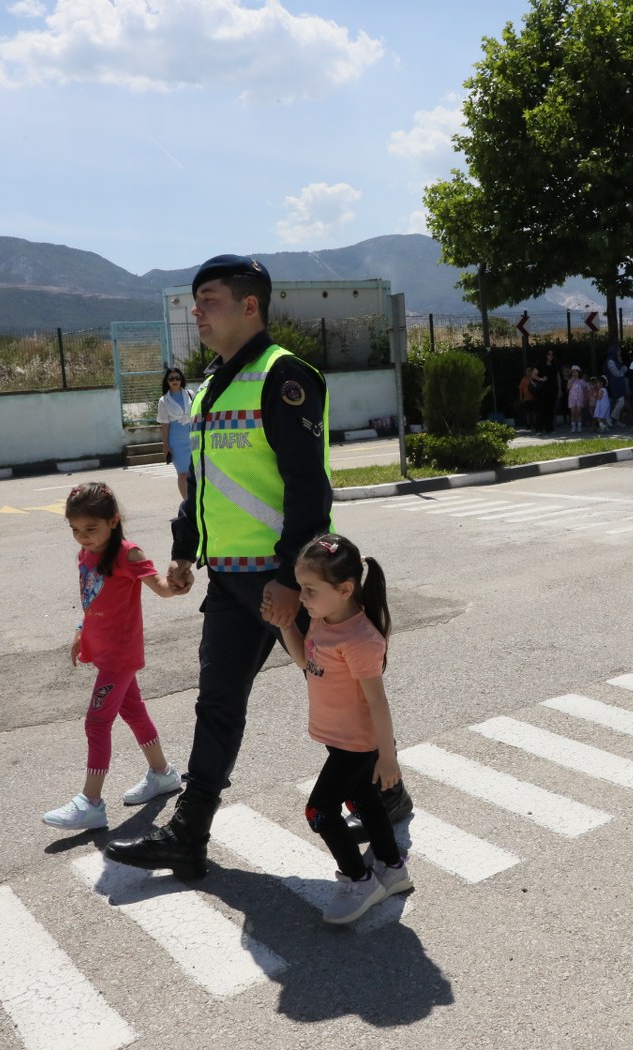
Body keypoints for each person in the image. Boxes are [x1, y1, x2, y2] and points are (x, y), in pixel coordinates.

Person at [103, 255, 410, 880]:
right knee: (216, 702)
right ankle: (189, 834)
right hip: (228, 581)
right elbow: (203, 483)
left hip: (284, 583)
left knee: (342, 694)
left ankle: (386, 795)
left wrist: (290, 582)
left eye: (209, 299)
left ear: (250, 306)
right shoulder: (210, 384)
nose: (197, 311)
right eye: (195, 301)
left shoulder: (284, 377)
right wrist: (186, 549)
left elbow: (308, 487)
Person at [278, 534, 412, 925]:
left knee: (319, 811)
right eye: (301, 588)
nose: (302, 598)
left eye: (309, 590)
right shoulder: (323, 619)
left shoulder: (361, 640)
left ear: (345, 589)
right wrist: (288, 626)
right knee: (366, 804)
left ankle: (359, 880)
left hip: (357, 743)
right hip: (338, 739)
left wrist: (387, 757)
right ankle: (391, 866)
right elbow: (307, 662)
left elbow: (378, 702)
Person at [44, 482, 183, 831]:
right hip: (103, 651)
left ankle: (90, 803)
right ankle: (163, 774)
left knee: (96, 722)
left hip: (121, 655)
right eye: (75, 530)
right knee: (133, 711)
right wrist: (80, 630)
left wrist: (177, 580)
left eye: (91, 529)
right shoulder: (86, 555)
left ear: (113, 520)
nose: (83, 537)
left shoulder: (127, 553)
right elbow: (92, 599)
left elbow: (163, 590)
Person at [157, 367, 194, 499]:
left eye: (177, 378)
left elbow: (197, 416)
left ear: (181, 380)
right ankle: (186, 502)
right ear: (167, 381)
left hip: (193, 439)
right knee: (182, 473)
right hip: (176, 443)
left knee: (195, 473)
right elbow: (164, 425)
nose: (175, 380)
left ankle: (196, 501)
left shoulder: (190, 394)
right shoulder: (163, 400)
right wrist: (165, 446)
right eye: (171, 378)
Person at [532, 348, 557, 432]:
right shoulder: (540, 364)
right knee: (541, 409)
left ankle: (549, 428)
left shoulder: (554, 365)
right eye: (548, 354)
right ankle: (539, 429)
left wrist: (559, 389)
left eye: (552, 354)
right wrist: (541, 379)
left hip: (552, 390)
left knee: (550, 409)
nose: (550, 356)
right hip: (542, 391)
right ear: (545, 355)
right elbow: (533, 375)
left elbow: (558, 377)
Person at [604, 343, 629, 429]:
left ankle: (616, 420)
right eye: (618, 351)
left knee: (619, 402)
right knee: (620, 402)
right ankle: (612, 418)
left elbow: (624, 370)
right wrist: (622, 368)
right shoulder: (610, 361)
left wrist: (621, 363)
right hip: (613, 384)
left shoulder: (616, 360)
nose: (619, 352)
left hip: (618, 383)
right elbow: (617, 373)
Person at [567, 365, 588, 433]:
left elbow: (585, 390)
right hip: (572, 399)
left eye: (576, 372)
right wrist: (572, 380)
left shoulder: (581, 381)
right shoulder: (570, 380)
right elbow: (568, 388)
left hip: (579, 399)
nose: (575, 373)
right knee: (573, 413)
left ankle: (579, 426)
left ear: (579, 373)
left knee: (579, 412)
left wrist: (585, 398)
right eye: (573, 372)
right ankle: (573, 425)